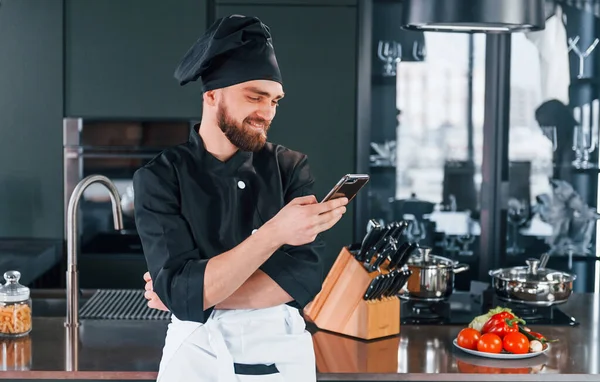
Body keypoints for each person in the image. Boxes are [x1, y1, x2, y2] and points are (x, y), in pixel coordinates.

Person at [133, 14, 348, 382]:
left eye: (275, 101)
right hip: (195, 357)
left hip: (281, 358)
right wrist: (275, 233)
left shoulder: (290, 168)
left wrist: (194, 293)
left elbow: (305, 278)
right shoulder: (160, 178)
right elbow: (180, 291)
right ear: (212, 95)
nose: (267, 113)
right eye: (255, 97)